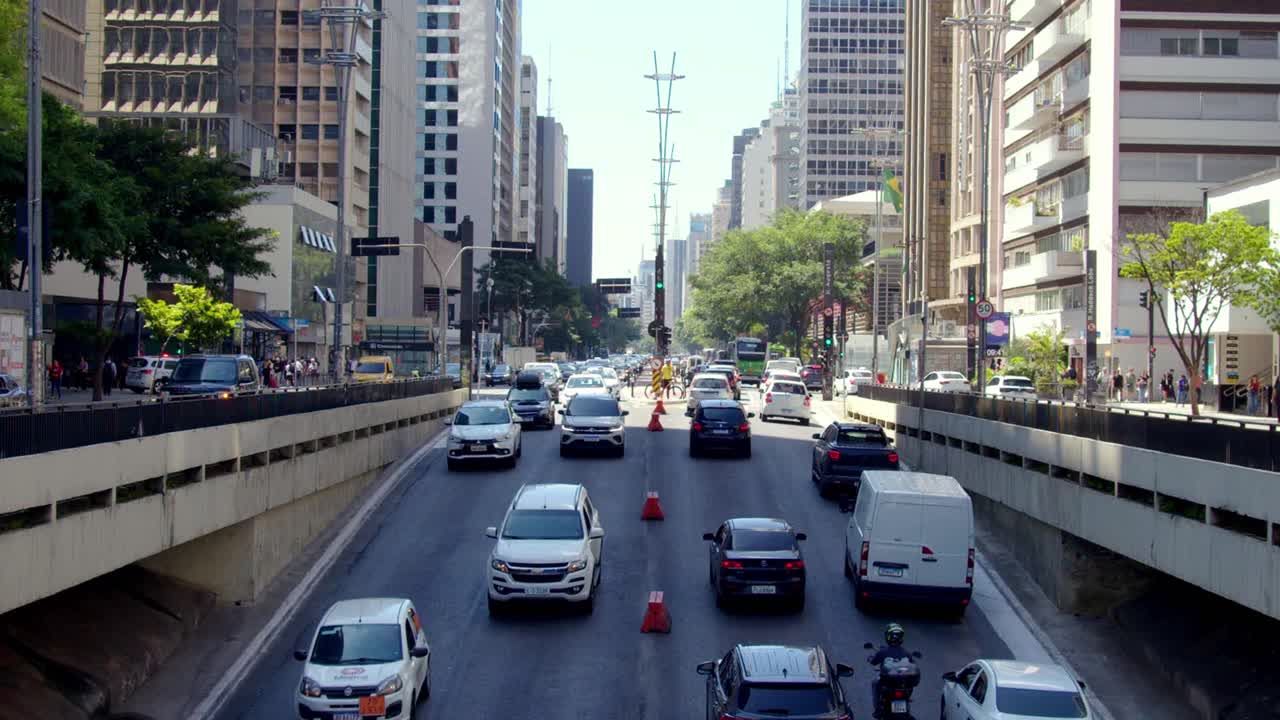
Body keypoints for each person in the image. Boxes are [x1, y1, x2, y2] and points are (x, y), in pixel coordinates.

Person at [867, 623, 913, 718]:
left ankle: (878, 709)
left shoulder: (883, 652)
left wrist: (870, 659)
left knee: (874, 683)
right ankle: (907, 700)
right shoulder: (907, 653)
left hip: (888, 686)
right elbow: (912, 665)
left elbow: (873, 662)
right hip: (902, 685)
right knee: (909, 686)